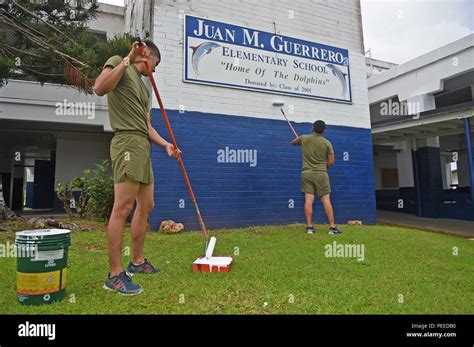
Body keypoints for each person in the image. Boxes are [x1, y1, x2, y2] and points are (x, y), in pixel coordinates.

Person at [94, 40, 180, 295]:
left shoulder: (143, 88)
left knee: (147, 205)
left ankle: (137, 262)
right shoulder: (118, 62)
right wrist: (127, 60)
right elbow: (99, 87)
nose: (155, 70)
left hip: (142, 145)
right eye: (156, 64)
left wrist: (166, 144)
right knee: (122, 208)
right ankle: (114, 274)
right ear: (148, 55)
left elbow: (147, 125)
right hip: (126, 143)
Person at [291, 120, 342, 235]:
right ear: (324, 130)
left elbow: (293, 143)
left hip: (306, 174)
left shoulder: (304, 138)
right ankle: (332, 228)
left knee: (309, 199)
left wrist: (299, 140)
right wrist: (324, 167)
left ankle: (309, 228)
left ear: (312, 128)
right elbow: (332, 161)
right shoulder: (327, 143)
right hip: (321, 174)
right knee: (325, 199)